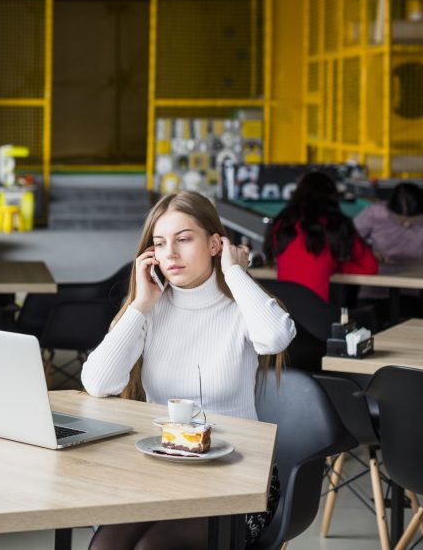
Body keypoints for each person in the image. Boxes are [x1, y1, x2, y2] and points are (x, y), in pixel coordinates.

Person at [82, 191, 295, 550]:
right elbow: (99, 383)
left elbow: (276, 338)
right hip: (162, 473)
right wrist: (140, 304)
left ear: (215, 243)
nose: (171, 254)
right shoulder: (150, 308)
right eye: (160, 243)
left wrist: (235, 272)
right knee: (106, 547)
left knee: (154, 548)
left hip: (239, 477)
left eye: (184, 239)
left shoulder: (240, 305)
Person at [264, 171, 377, 303]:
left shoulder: (282, 223)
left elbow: (279, 261)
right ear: (331, 196)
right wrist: (337, 266)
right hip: (317, 313)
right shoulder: (336, 224)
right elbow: (370, 267)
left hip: (281, 313)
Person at [354, 182, 423, 318]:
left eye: (414, 221)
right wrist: (368, 253)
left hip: (416, 290)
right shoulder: (375, 213)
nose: (406, 225)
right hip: (376, 287)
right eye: (400, 219)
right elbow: (348, 240)